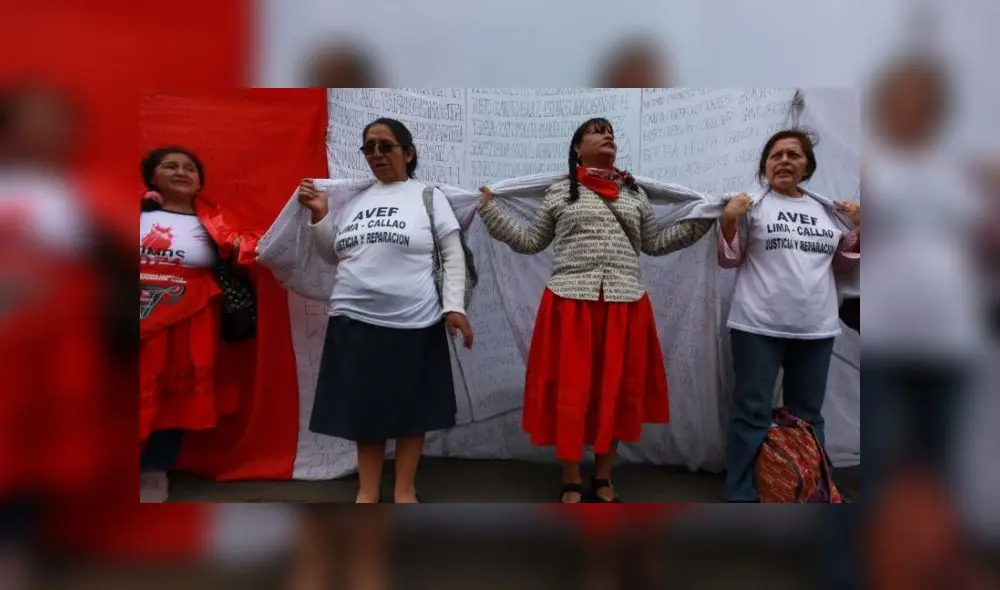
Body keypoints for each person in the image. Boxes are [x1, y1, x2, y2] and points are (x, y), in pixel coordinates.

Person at [477, 117, 716, 503]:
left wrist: (705, 219)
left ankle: (603, 476)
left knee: (616, 391)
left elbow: (655, 243)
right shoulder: (559, 192)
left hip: (625, 305)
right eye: (597, 131)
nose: (608, 136)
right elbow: (530, 241)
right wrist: (490, 210)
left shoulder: (634, 193)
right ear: (577, 148)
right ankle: (571, 477)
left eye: (611, 133)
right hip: (569, 305)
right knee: (571, 392)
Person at [298, 117, 472, 504]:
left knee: (413, 412)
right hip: (352, 323)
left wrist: (454, 307)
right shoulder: (354, 201)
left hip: (415, 322)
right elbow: (332, 255)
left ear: (408, 153)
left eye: (385, 146)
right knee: (366, 414)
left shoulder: (428, 196)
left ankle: (404, 489)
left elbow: (452, 254)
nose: (376, 154)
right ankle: (367, 492)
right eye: (369, 148)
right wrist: (320, 214)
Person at [717, 128, 861, 503]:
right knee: (751, 412)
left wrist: (861, 228)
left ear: (807, 166)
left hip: (816, 329)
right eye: (776, 155)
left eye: (793, 155)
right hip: (756, 327)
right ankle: (742, 493)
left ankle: (811, 489)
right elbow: (728, 259)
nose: (784, 161)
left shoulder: (827, 211)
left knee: (808, 415)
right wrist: (729, 220)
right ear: (765, 166)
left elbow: (844, 263)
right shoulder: (750, 206)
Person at [139, 146, 258, 503]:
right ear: (151, 177)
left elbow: (245, 256)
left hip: (188, 323)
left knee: (175, 400)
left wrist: (242, 250)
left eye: (190, 168)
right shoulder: (127, 210)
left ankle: (153, 471)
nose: (181, 172)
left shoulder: (216, 221)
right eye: (170, 166)